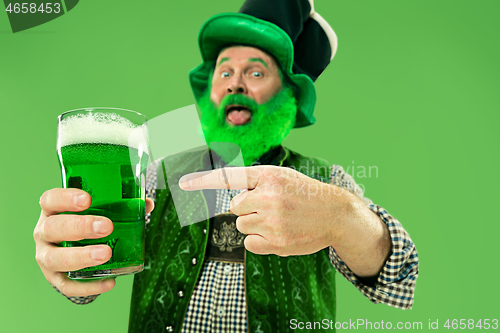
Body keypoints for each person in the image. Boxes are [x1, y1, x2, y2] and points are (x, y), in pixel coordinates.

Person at [34, 0, 419, 332]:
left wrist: (345, 216)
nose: (236, 84)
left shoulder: (325, 181)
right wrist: (69, 255)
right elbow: (92, 267)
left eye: (256, 72)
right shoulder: (155, 175)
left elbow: (397, 279)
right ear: (210, 93)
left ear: (287, 95)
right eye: (224, 72)